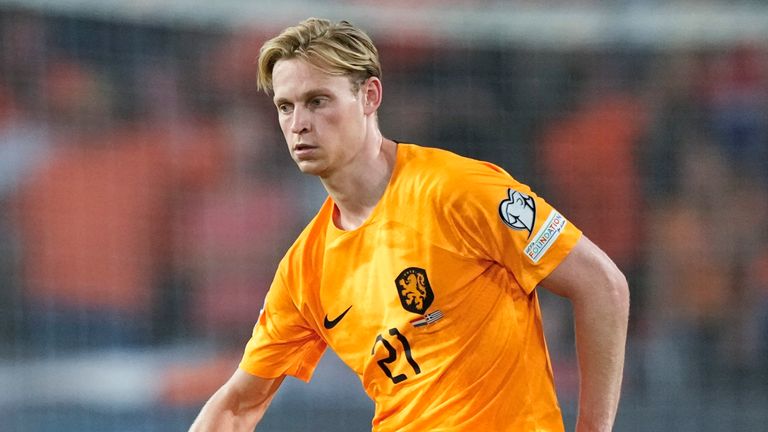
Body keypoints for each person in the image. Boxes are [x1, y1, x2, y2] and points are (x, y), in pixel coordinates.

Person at [190, 17, 629, 432]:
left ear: (369, 96)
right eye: (285, 107)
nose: (298, 123)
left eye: (317, 101)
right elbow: (238, 404)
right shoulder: (305, 269)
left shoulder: (457, 189)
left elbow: (603, 286)